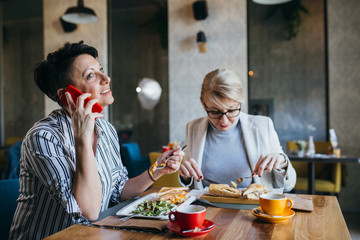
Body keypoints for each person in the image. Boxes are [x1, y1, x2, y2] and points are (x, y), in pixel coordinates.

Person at [9, 41, 184, 240]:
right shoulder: (43, 137)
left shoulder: (106, 129)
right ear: (68, 96)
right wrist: (83, 138)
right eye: (91, 75)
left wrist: (157, 170)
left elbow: (118, 191)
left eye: (100, 70)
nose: (106, 78)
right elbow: (88, 212)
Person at [178, 69, 296, 191]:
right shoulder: (192, 128)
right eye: (214, 111)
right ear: (203, 104)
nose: (224, 121)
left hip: (252, 208)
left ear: (240, 103)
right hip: (206, 207)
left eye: (231, 110)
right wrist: (186, 177)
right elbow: (192, 188)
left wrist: (282, 164)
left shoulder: (263, 125)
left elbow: (288, 186)